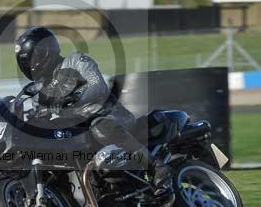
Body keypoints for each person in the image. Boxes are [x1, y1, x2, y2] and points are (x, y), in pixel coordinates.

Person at [14, 26, 171, 196]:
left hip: (112, 117)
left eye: (31, 59)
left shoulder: (76, 61)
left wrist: (73, 98)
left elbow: (98, 87)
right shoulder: (40, 91)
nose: (29, 64)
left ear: (44, 52)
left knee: (100, 126)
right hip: (82, 131)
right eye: (25, 61)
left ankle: (156, 167)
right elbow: (41, 115)